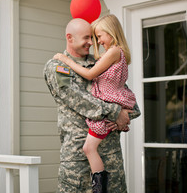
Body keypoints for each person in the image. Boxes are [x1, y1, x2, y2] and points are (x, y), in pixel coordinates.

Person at [43, 18, 140, 193]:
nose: (91, 42)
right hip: (78, 162)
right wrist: (115, 112)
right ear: (70, 38)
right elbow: (77, 99)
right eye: (87, 38)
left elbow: (129, 104)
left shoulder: (102, 63)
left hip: (111, 159)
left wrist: (124, 116)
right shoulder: (59, 67)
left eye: (94, 37)